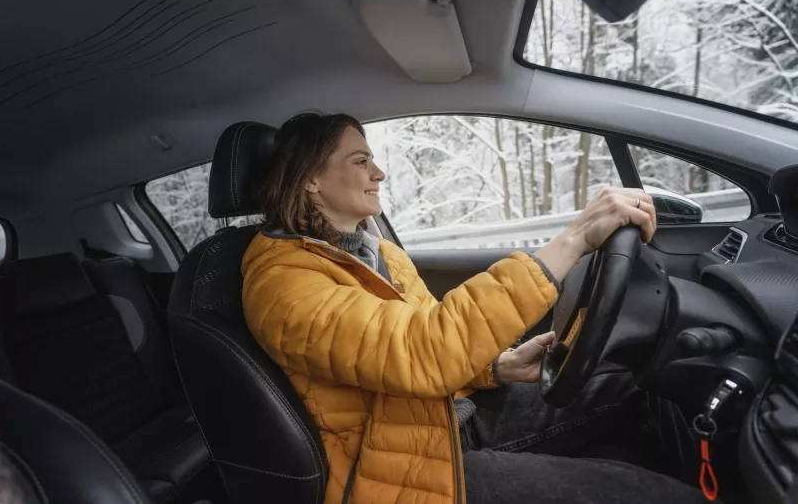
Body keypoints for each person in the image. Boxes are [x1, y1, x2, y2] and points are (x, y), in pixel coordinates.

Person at [242, 113, 708, 504]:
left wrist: (497, 367)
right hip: (399, 468)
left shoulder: (376, 253)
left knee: (626, 383)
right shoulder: (283, 283)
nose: (378, 173)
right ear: (310, 180)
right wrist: (574, 239)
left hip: (440, 418)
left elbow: (422, 343)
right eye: (361, 161)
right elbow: (424, 351)